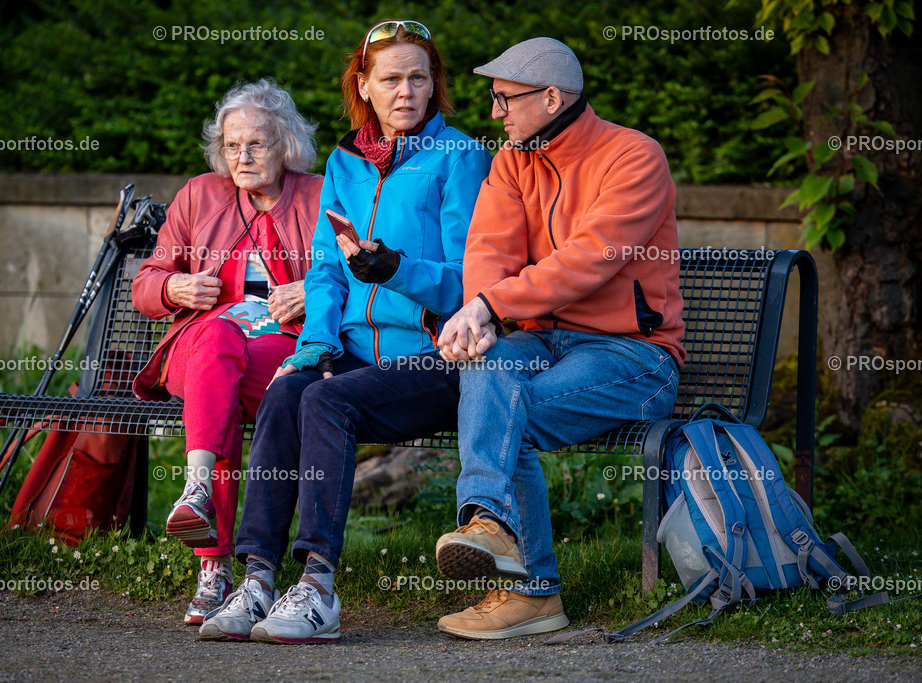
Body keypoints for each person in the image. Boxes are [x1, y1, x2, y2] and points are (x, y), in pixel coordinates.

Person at [197, 20, 492, 644]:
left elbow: (475, 279)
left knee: (325, 400)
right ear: (365, 85)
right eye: (391, 79)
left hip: (436, 360)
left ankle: (320, 587)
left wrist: (397, 269)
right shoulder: (344, 161)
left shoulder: (460, 156)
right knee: (288, 391)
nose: (406, 91)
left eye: (420, 77)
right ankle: (257, 579)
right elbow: (327, 271)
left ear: (435, 84)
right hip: (355, 354)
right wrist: (315, 347)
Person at [433, 37, 686, 640]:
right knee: (487, 371)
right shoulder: (513, 159)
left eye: (505, 99)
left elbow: (588, 260)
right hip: (546, 341)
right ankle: (491, 531)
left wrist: (492, 303)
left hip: (635, 357)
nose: (495, 112)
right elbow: (489, 248)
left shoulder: (634, 157)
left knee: (506, 413)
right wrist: (480, 316)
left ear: (551, 98)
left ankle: (531, 591)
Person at [131, 78, 323, 625]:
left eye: (257, 144)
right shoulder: (200, 195)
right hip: (199, 348)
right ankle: (215, 560)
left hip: (279, 348)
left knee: (226, 392)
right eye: (232, 145)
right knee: (218, 338)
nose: (242, 156)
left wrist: (313, 292)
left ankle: (212, 549)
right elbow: (147, 282)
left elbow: (352, 274)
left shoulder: (318, 195)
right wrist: (176, 289)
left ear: (285, 144)